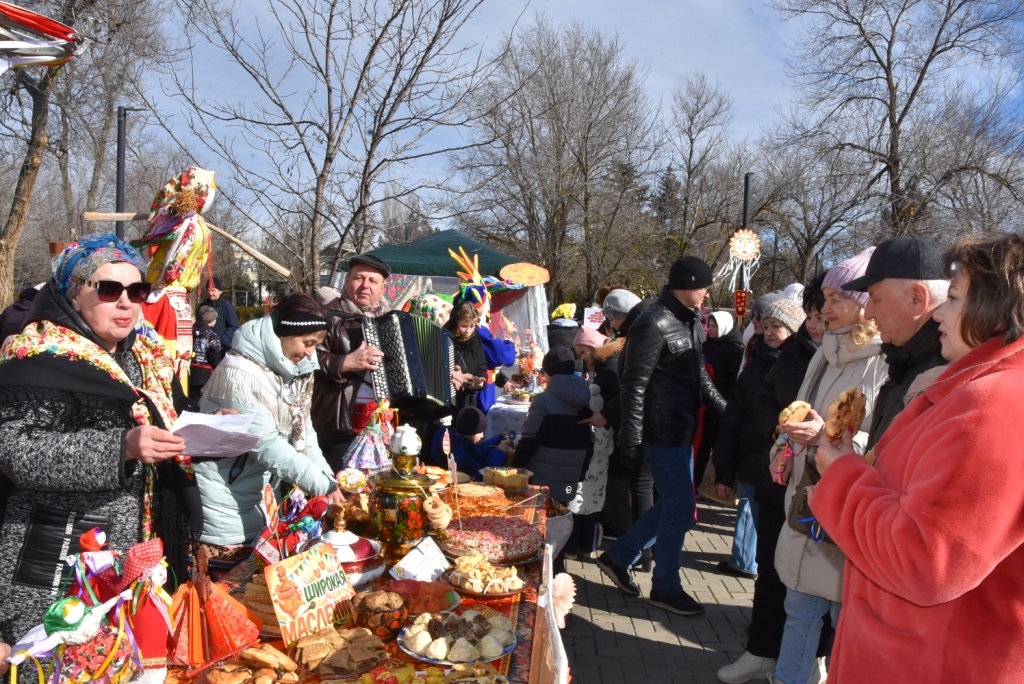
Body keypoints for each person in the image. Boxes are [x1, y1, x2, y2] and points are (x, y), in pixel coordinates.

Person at [810, 233, 1024, 683]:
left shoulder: (995, 403)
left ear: (995, 308)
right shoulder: (983, 389)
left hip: (930, 662)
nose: (941, 312)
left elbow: (928, 561)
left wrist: (842, 474)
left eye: (957, 298)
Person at [0, 234, 200, 646]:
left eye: (137, 290)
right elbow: (19, 452)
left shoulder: (142, 355)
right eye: (108, 290)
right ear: (75, 295)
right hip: (59, 553)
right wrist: (121, 447)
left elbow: (160, 421)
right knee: (59, 659)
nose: (126, 302)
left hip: (129, 549)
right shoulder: (38, 354)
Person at [768, 247, 889, 684]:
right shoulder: (823, 351)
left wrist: (828, 439)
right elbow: (799, 412)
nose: (826, 307)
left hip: (846, 512)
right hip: (806, 503)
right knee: (798, 612)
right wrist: (784, 448)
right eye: (826, 297)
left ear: (865, 304)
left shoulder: (884, 362)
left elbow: (884, 446)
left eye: (840, 298)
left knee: (845, 621)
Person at [595, 256, 726, 616]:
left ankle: (619, 556)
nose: (707, 292)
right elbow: (633, 385)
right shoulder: (654, 322)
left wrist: (725, 412)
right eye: (703, 286)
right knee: (681, 511)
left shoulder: (690, 321)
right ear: (687, 285)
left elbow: (698, 375)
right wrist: (632, 441)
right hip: (660, 430)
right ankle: (666, 586)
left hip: (681, 429)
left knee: (674, 506)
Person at [716, 274, 829, 684]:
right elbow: (756, 404)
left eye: (821, 314)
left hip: (823, 485)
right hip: (774, 479)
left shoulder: (854, 357)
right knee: (772, 570)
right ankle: (762, 651)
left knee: (817, 584)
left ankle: (809, 658)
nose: (817, 322)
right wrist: (781, 431)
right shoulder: (794, 357)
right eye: (813, 314)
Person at [195, 293, 342, 560]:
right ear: (285, 333)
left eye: (316, 345)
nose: (310, 352)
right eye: (308, 343)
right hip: (226, 506)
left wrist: (328, 480)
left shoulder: (293, 373)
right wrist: (323, 486)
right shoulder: (239, 374)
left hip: (260, 500)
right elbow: (267, 444)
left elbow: (305, 433)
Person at [713, 299, 805, 582]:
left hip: (793, 469)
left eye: (776, 326)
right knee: (756, 523)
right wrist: (725, 473)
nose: (768, 332)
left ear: (793, 328)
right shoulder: (754, 365)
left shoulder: (807, 364)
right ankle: (748, 562)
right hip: (755, 465)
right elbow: (733, 420)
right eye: (765, 326)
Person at [840, 235, 948, 448]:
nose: (868, 312)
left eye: (876, 299)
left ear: (917, 299)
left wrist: (845, 470)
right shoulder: (906, 360)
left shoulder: (943, 377)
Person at [311, 254, 392, 471]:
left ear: (383, 288)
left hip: (382, 424)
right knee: (339, 494)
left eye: (373, 281)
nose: (365, 285)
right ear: (347, 281)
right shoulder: (327, 317)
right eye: (359, 278)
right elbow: (304, 362)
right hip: (339, 423)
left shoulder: (393, 322)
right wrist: (346, 362)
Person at [513, 347, 593, 503]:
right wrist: (582, 473)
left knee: (539, 519)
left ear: (548, 372)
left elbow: (529, 439)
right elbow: (589, 440)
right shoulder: (583, 398)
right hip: (572, 474)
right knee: (561, 518)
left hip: (543, 477)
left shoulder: (544, 400)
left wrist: (517, 471)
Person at [565, 326, 612, 559]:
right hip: (601, 450)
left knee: (579, 497)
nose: (583, 357)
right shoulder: (603, 371)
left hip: (594, 449)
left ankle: (576, 546)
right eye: (579, 353)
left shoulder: (605, 374)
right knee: (591, 499)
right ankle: (587, 545)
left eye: (584, 352)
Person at [695, 310, 744, 488]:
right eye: (710, 325)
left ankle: (720, 483)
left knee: (721, 446)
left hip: (724, 403)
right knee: (702, 445)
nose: (711, 329)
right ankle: (699, 481)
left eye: (715, 326)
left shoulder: (734, 348)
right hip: (706, 405)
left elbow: (734, 378)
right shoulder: (706, 345)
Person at [429, 406, 508, 477]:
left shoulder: (459, 440)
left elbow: (478, 451)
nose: (483, 436)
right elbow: (481, 476)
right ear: (471, 432)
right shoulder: (461, 455)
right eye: (480, 432)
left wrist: (499, 438)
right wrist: (498, 454)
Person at [446, 302, 488, 410]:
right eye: (464, 326)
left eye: (472, 326)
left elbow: (481, 366)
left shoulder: (476, 341)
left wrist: (480, 381)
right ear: (456, 322)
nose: (468, 331)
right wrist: (454, 375)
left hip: (466, 402)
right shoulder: (444, 338)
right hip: (446, 401)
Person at [190, 305, 224, 397]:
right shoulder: (212, 336)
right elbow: (215, 356)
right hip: (205, 374)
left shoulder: (190, 331)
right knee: (201, 400)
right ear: (211, 320)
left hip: (189, 371)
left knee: (191, 397)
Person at [200, 275, 239, 351]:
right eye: (208, 290)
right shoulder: (203, 307)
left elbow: (233, 327)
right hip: (204, 347)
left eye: (213, 290)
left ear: (220, 291)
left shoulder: (227, 306)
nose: (210, 293)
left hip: (220, 349)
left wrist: (222, 341)